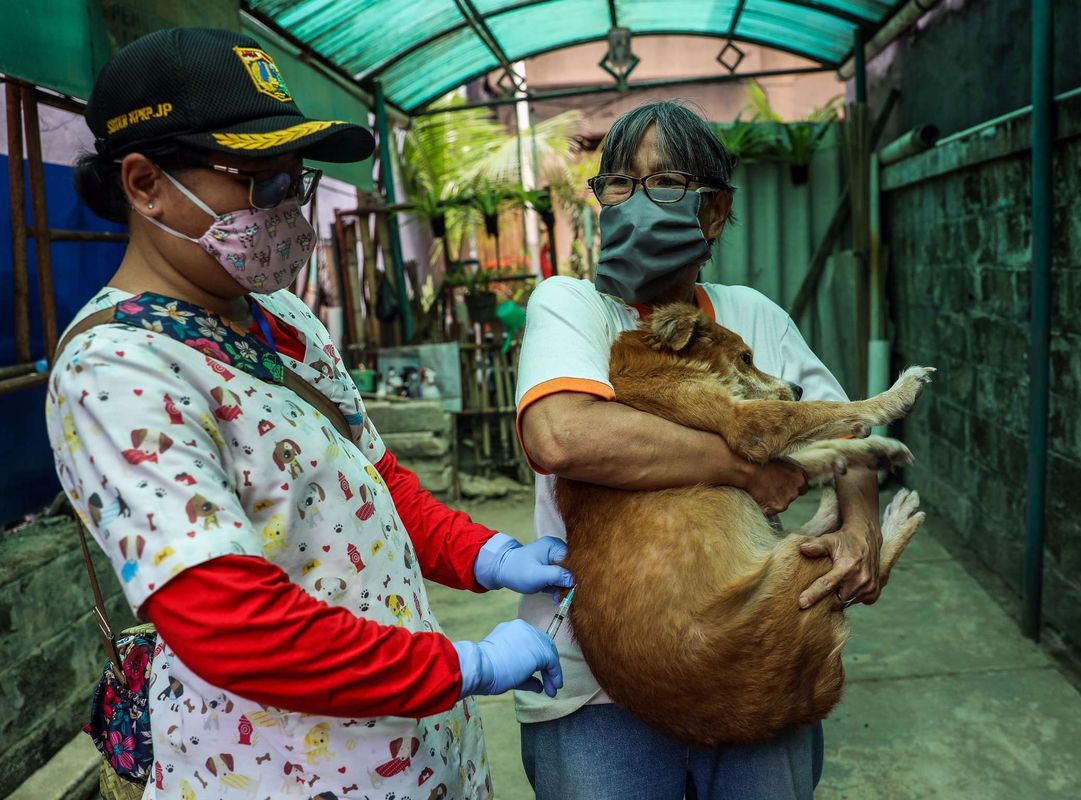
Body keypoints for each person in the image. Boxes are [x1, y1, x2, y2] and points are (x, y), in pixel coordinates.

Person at [46, 28, 570, 799]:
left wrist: (487, 555)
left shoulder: (280, 316)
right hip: (280, 772)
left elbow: (371, 478)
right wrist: (467, 664)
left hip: (419, 753)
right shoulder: (115, 372)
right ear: (144, 183)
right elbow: (234, 624)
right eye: (260, 182)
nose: (286, 210)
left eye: (297, 182)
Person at [514, 101, 884, 799]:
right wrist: (750, 465)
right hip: (595, 685)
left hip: (737, 648)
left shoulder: (753, 316)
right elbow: (565, 434)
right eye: (618, 184)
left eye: (665, 184)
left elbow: (850, 440)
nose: (633, 201)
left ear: (714, 214)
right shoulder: (571, 307)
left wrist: (861, 531)